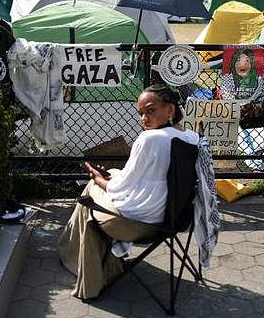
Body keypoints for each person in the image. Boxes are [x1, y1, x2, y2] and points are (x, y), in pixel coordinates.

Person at [57, 84, 215, 300]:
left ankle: (84, 267)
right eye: (141, 113)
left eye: (150, 110)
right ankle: (97, 260)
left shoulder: (149, 139)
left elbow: (123, 188)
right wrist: (110, 177)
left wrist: (99, 179)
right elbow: (142, 180)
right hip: (174, 219)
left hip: (137, 225)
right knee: (112, 173)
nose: (144, 118)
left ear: (170, 109)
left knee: (90, 195)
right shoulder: (194, 139)